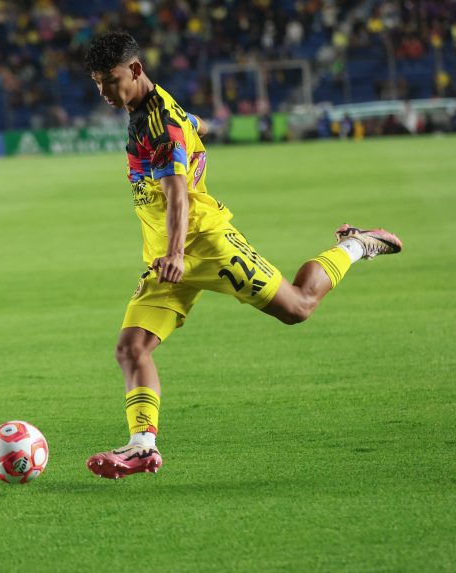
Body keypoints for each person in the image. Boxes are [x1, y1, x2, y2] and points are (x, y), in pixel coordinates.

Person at [83, 31, 402, 479]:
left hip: (204, 246)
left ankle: (356, 243)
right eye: (98, 83)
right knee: (131, 348)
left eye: (111, 81)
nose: (104, 93)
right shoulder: (150, 111)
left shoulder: (159, 124)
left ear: (135, 70)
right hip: (165, 260)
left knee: (298, 308)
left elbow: (178, 196)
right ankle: (142, 447)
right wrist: (198, 126)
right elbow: (190, 125)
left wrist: (175, 251)